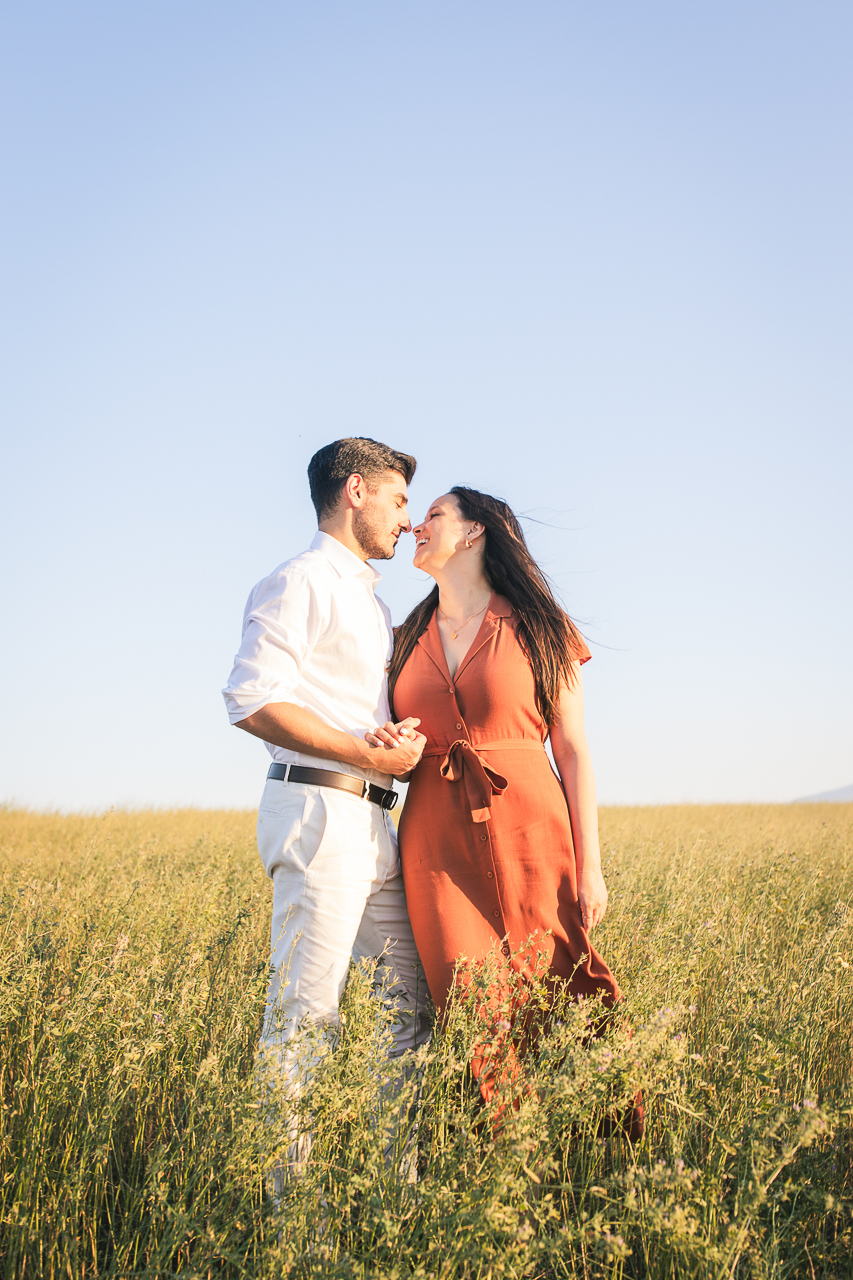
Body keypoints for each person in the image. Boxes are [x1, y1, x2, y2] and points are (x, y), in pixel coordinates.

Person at [368, 486, 643, 1139]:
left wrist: (591, 867)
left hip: (533, 827)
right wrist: (387, 745)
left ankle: (603, 1146)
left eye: (432, 515)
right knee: (469, 1003)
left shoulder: (542, 628)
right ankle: (507, 1158)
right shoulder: (403, 638)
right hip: (434, 836)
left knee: (560, 980)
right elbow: (378, 728)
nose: (415, 526)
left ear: (474, 534)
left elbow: (572, 750)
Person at [222, 438, 431, 1178]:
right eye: (399, 500)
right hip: (319, 810)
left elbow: (339, 710)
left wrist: (380, 740)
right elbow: (251, 700)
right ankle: (293, 1227)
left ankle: (393, 1201)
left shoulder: (370, 601)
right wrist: (363, 755)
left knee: (403, 1014)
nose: (406, 520)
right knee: (305, 1022)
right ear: (355, 491)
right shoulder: (299, 580)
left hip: (374, 822)